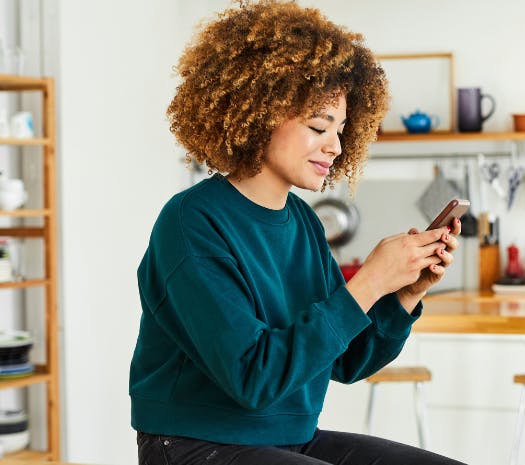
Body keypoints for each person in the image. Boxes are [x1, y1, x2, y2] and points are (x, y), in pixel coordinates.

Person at [128, 2, 466, 464]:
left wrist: (403, 292)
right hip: (195, 445)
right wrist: (367, 281)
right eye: (318, 126)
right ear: (259, 111)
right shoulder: (191, 223)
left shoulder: (303, 222)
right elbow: (254, 378)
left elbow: (347, 361)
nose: (336, 146)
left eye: (342, 130)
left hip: (291, 440)